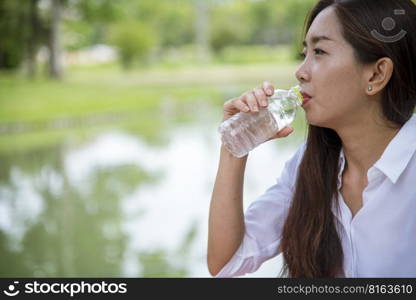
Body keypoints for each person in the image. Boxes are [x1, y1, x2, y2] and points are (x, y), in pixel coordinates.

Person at [208, 0, 416, 278]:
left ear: (376, 74)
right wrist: (234, 146)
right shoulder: (308, 166)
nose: (300, 72)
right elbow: (225, 262)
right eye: (303, 53)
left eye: (319, 51)